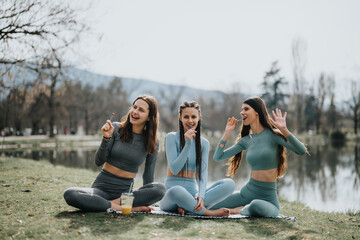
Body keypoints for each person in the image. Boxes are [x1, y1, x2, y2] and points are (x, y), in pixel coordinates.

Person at [63, 95, 165, 212]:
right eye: (134, 107)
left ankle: (107, 205)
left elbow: (148, 177)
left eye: (141, 110)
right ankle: (127, 208)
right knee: (70, 194)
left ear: (149, 117)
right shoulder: (116, 128)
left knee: (160, 189)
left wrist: (146, 196)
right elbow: (98, 161)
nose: (135, 112)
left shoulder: (152, 142)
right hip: (101, 189)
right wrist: (106, 138)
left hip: (126, 193)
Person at [210, 96, 307, 217]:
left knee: (256, 206)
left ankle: (239, 210)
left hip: (268, 198)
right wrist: (227, 133)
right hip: (246, 193)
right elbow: (218, 157)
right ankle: (244, 208)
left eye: (246, 109)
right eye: (241, 109)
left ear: (257, 112)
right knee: (210, 206)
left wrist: (284, 130)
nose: (242, 112)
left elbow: (301, 151)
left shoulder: (273, 135)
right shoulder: (246, 140)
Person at [159, 101, 235, 217]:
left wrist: (201, 195)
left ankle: (189, 207)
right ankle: (208, 212)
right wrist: (188, 144)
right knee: (177, 190)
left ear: (199, 117)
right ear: (180, 118)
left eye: (193, 117)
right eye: (186, 117)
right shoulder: (171, 137)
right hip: (172, 196)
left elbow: (203, 174)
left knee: (229, 184)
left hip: (192, 195)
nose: (190, 121)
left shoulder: (204, 143)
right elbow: (174, 169)